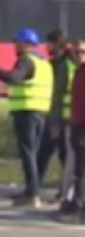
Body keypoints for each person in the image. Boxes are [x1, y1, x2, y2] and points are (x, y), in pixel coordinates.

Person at [0, 28, 53, 207]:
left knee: (27, 153)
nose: (15, 46)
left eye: (18, 42)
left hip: (27, 113)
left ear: (27, 44)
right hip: (42, 112)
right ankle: (31, 190)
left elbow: (14, 78)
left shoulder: (25, 61)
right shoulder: (44, 63)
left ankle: (32, 194)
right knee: (34, 154)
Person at [39, 30, 77, 206]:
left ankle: (66, 193)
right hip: (63, 116)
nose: (47, 48)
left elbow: (61, 93)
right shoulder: (61, 63)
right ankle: (64, 191)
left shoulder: (66, 65)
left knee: (65, 156)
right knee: (62, 156)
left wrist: (56, 121)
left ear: (56, 44)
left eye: (49, 44)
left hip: (64, 117)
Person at [64, 39, 85, 223]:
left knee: (82, 170)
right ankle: (75, 202)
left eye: (82, 52)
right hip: (77, 124)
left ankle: (80, 205)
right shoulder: (78, 72)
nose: (79, 56)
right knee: (79, 168)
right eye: (77, 52)